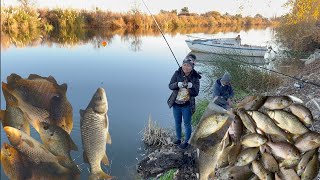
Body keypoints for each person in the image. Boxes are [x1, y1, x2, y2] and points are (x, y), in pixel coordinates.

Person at [167, 54, 201, 149]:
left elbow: (196, 92)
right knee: (177, 122)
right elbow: (170, 86)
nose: (186, 67)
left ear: (192, 67)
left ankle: (186, 141)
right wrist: (177, 84)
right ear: (182, 64)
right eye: (184, 65)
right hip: (176, 104)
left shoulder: (195, 77)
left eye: (189, 66)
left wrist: (191, 86)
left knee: (187, 123)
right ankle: (178, 139)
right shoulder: (177, 73)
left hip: (187, 105)